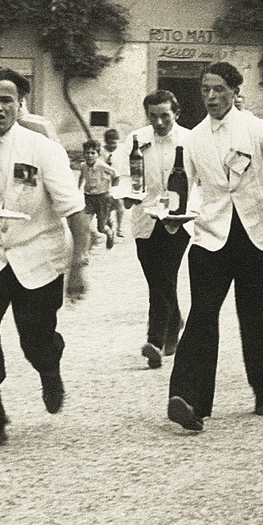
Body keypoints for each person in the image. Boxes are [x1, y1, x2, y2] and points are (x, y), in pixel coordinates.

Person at [0, 67, 90, 453]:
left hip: (38, 255)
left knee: (35, 340)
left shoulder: (43, 149)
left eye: (6, 100)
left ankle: (49, 368)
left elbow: (75, 210)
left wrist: (78, 265)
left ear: (20, 103)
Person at [166, 62, 263, 431]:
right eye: (205, 90)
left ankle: (262, 391)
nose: (211, 97)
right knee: (201, 317)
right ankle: (189, 401)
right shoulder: (193, 138)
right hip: (210, 237)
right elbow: (183, 187)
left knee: (260, 318)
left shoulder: (256, 128)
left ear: (234, 91)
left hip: (256, 237)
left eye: (219, 89)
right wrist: (173, 214)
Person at [117, 90, 191, 370]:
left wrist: (190, 210)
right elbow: (125, 175)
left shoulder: (189, 140)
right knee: (156, 278)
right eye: (153, 116)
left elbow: (198, 181)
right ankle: (174, 321)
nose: (159, 122)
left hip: (178, 219)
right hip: (145, 218)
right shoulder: (136, 139)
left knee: (165, 275)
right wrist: (126, 195)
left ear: (176, 114)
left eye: (165, 116)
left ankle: (155, 341)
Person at [79, 139, 119, 250]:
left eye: (93, 153)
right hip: (88, 197)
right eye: (87, 153)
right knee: (85, 223)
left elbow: (116, 175)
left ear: (98, 154)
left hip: (102, 197)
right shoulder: (83, 166)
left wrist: (113, 190)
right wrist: (78, 188)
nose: (89, 155)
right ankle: (85, 248)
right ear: (84, 154)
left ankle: (110, 233)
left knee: (101, 228)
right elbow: (81, 176)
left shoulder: (102, 166)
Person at [102, 128, 125, 238]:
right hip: (104, 182)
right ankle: (109, 224)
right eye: (109, 143)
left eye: (114, 143)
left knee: (119, 206)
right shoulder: (101, 151)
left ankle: (119, 228)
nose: (112, 146)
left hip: (118, 181)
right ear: (106, 142)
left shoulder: (122, 149)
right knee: (106, 207)